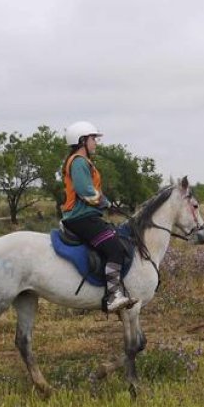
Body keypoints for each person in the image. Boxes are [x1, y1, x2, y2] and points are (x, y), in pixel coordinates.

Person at [61, 121, 137, 312]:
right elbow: (85, 190)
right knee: (115, 249)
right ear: (82, 140)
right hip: (81, 218)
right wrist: (104, 201)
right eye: (93, 138)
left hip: (87, 216)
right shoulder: (78, 162)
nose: (96, 142)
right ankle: (113, 295)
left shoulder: (82, 161)